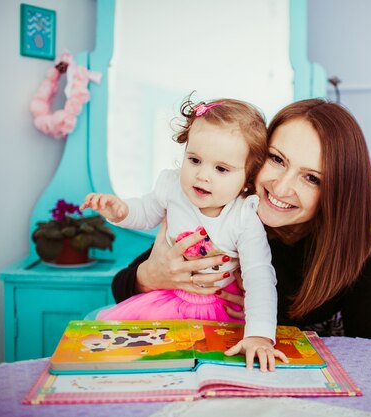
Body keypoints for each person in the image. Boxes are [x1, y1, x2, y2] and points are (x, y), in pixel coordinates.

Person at [111, 98, 371, 369]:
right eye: (277, 159)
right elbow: (121, 288)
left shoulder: (355, 244)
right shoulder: (232, 213)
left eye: (311, 178)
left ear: (337, 191)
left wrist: (257, 317)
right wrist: (148, 277)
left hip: (326, 350)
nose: (281, 188)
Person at [81, 98, 286, 369]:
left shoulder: (244, 217)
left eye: (221, 169)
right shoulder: (172, 188)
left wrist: (259, 335)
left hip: (221, 310)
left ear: (249, 177)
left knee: (214, 368)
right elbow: (144, 212)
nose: (202, 175)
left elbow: (259, 277)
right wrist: (120, 210)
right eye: (195, 160)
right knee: (147, 362)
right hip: (168, 300)